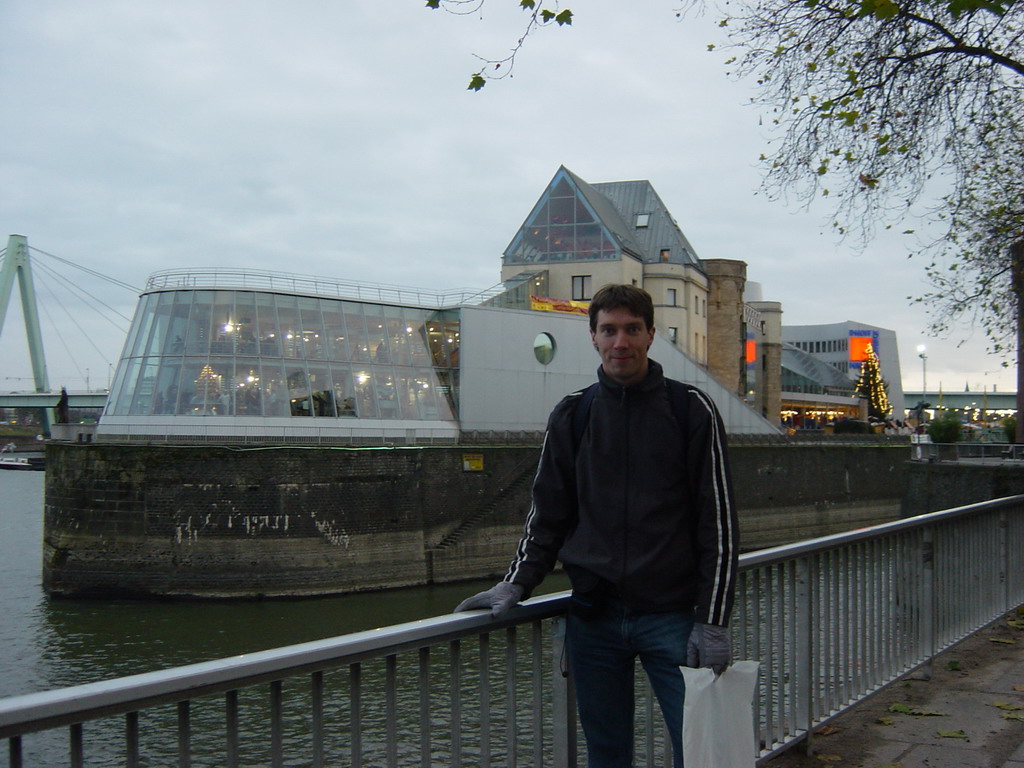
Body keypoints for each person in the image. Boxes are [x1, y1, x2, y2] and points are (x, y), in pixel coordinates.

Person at [455, 283, 739, 768]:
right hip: (594, 617)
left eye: (631, 330)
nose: (620, 342)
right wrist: (517, 582)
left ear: (651, 335)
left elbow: (719, 525)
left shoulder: (692, 410)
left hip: (671, 616)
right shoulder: (573, 414)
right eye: (608, 330)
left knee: (698, 750)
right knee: (607, 755)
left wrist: (711, 620)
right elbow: (548, 515)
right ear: (593, 337)